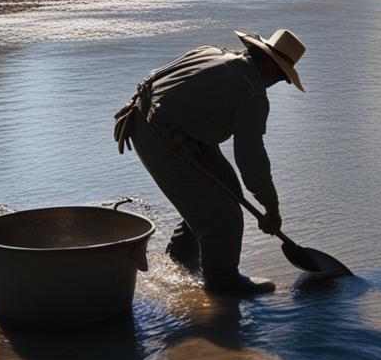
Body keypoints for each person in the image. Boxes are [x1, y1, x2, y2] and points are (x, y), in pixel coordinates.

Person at [113, 29, 305, 295]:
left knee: (229, 189)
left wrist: (266, 203)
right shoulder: (252, 93)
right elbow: (251, 157)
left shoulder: (215, 53)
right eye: (282, 76)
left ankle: (180, 259)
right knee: (224, 217)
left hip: (167, 122)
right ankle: (222, 284)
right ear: (270, 64)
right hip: (156, 132)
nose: (279, 83)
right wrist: (271, 208)